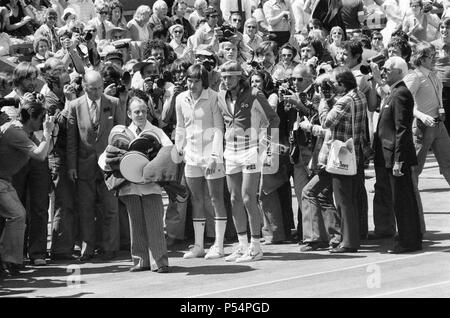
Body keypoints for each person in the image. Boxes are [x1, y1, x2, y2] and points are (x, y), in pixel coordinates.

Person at [217, 61, 279, 262]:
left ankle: (256, 246)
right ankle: (242, 245)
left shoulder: (254, 94)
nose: (227, 81)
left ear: (239, 76)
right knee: (234, 199)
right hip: (230, 152)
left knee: (247, 198)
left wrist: (264, 146)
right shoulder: (221, 96)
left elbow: (273, 119)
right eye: (224, 77)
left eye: (231, 77)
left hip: (250, 151)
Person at [105, 97, 171, 273]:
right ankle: (141, 260)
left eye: (143, 111)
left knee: (155, 221)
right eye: (136, 112)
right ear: (129, 114)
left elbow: (168, 152)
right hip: (129, 185)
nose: (141, 114)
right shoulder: (121, 134)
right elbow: (105, 159)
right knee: (135, 223)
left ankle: (160, 261)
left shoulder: (156, 131)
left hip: (150, 184)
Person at [66, 70, 125, 262]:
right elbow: (72, 139)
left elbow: (121, 135)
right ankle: (87, 248)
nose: (97, 92)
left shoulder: (114, 103)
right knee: (86, 208)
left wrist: (119, 163)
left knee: (110, 207)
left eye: (100, 87)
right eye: (93, 89)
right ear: (84, 87)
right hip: (84, 165)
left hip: (109, 165)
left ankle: (110, 247)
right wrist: (72, 165)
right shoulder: (75, 106)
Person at [175, 63, 227, 260]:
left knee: (215, 199)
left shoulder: (213, 97)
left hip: (212, 158)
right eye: (189, 80)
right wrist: (179, 149)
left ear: (203, 82)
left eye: (196, 81)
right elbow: (181, 127)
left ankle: (219, 245)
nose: (191, 85)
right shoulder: (180, 99)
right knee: (196, 199)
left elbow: (218, 128)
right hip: (191, 157)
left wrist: (215, 156)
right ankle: (198, 245)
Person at [317, 67, 372, 253]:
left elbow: (326, 122)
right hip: (355, 153)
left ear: (342, 84)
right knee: (353, 198)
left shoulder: (344, 101)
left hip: (341, 156)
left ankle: (348, 242)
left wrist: (324, 101)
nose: (331, 87)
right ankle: (355, 237)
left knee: (343, 200)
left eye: (333, 84)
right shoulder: (359, 96)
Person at [373, 56, 423, 254]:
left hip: (396, 157)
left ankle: (408, 240)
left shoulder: (401, 93)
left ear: (399, 72)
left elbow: (401, 129)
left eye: (387, 69)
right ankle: (407, 237)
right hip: (388, 155)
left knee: (403, 201)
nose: (384, 71)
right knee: (399, 200)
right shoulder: (393, 91)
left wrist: (398, 160)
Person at [0, 98, 55, 275]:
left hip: (5, 181)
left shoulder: (24, 131)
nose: (43, 121)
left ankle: (10, 260)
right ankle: (9, 260)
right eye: (42, 118)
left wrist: (47, 134)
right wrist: (47, 132)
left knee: (17, 216)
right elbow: (39, 155)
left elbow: (43, 152)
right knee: (18, 215)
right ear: (32, 118)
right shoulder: (15, 131)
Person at [40, 58, 79, 260]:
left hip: (69, 154)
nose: (69, 86)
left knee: (70, 201)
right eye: (64, 83)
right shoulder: (49, 101)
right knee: (63, 202)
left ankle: (70, 244)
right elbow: (60, 125)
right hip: (57, 156)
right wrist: (71, 101)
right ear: (54, 84)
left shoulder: (63, 96)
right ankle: (60, 249)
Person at [404, 42, 450, 197]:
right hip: (422, 127)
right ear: (421, 59)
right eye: (431, 56)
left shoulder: (434, 74)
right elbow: (403, 102)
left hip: (439, 125)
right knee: (415, 167)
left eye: (434, 54)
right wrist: (422, 116)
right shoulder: (414, 76)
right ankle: (409, 202)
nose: (434, 58)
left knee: (448, 163)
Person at [431, 17, 450, 134]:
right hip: (441, 87)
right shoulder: (433, 45)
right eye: (442, 27)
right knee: (444, 115)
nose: (444, 30)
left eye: (447, 27)